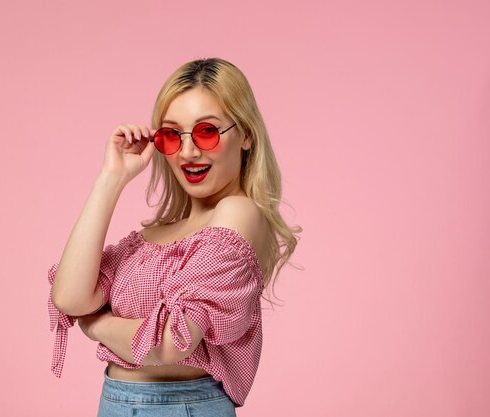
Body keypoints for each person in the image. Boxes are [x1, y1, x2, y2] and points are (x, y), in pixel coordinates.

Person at [46, 57, 301, 416]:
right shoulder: (154, 236)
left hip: (181, 407)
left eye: (207, 132)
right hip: (114, 402)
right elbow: (70, 298)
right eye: (171, 135)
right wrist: (111, 178)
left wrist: (96, 325)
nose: (188, 152)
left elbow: (169, 342)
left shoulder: (237, 214)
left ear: (245, 135)